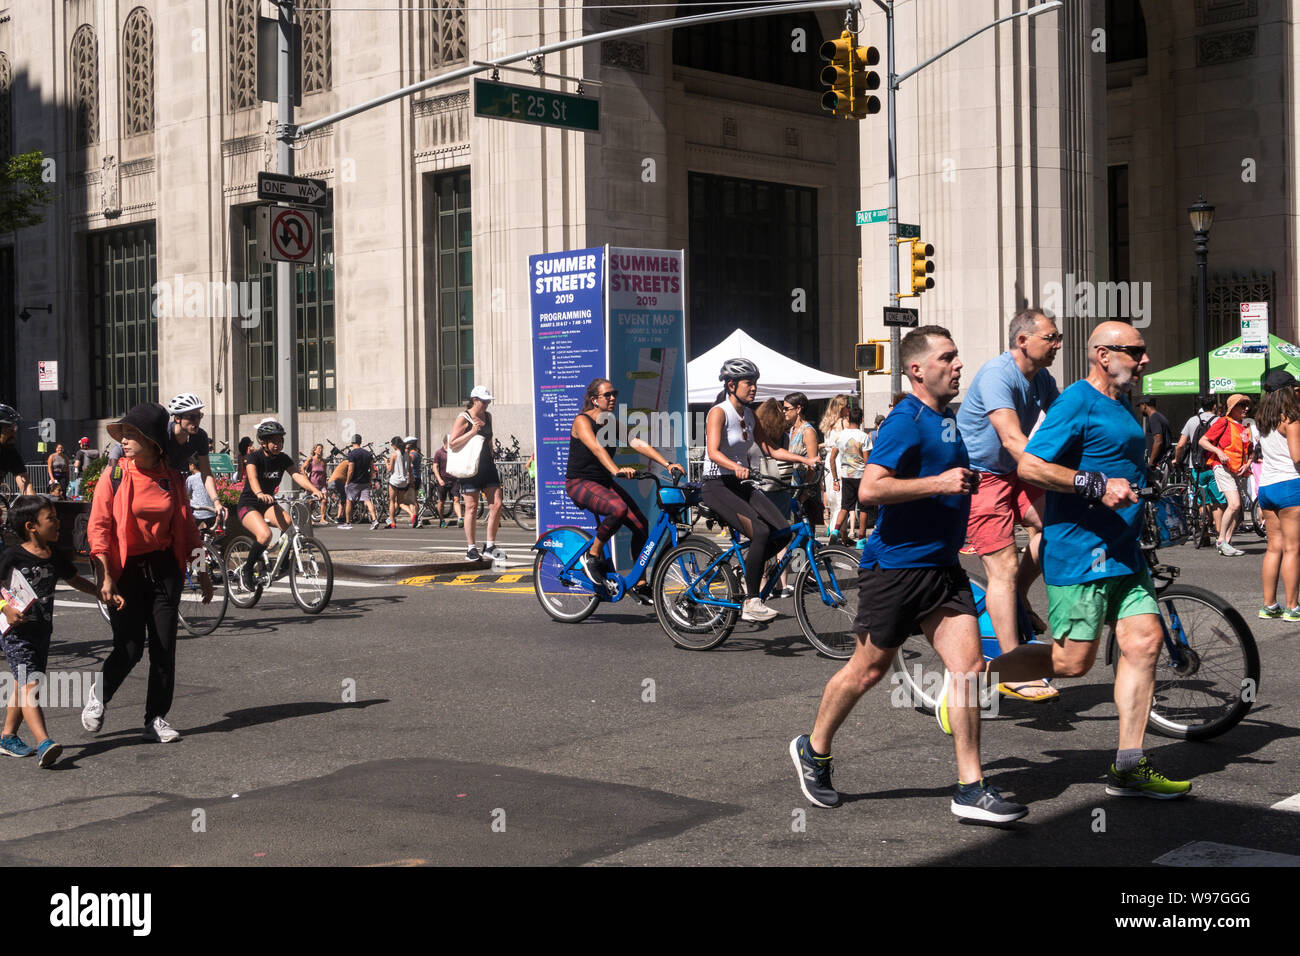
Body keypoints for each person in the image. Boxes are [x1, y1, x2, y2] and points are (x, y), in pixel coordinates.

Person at [789, 325, 1027, 823]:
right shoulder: (905, 419)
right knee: (869, 670)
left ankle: (970, 786)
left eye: (958, 356)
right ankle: (814, 749)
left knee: (967, 672)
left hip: (941, 570)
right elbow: (872, 490)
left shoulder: (947, 420)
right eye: (948, 357)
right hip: (896, 570)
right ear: (917, 368)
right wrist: (939, 482)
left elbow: (945, 481)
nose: (958, 365)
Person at [986, 321, 1190, 799]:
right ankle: (975, 679)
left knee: (1144, 642)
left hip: (1123, 550)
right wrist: (1094, 485)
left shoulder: (1121, 406)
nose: (1144, 360)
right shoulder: (1077, 399)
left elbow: (1118, 464)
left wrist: (1145, 484)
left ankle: (1129, 763)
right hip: (1081, 552)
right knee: (1073, 663)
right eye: (1135, 352)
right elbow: (1031, 465)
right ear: (1103, 354)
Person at [83, 402, 212, 744]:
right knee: (129, 647)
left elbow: (186, 529)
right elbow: (98, 527)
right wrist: (106, 575)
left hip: (163, 568)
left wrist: (201, 572)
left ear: (153, 440)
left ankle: (155, 717)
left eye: (132, 434)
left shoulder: (171, 477)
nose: (124, 441)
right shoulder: (115, 475)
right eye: (122, 435)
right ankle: (99, 695)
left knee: (164, 646)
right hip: (124, 569)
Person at [954, 308, 1062, 701]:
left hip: (1015, 470)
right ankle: (1012, 669)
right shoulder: (999, 375)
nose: (1058, 344)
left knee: (1057, 529)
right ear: (1023, 341)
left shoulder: (1042, 378)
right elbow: (1013, 439)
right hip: (980, 475)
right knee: (1002, 567)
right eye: (1050, 337)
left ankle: (1016, 597)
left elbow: (1066, 421)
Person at [703, 359, 817, 622]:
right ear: (731, 385)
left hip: (742, 485)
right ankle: (752, 601)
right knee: (762, 531)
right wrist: (736, 466)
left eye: (755, 383)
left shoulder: (750, 415)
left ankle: (746, 572)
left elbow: (771, 449)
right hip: (717, 485)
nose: (753, 388)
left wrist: (806, 460)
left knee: (782, 532)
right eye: (748, 383)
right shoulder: (718, 413)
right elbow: (713, 452)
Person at [565, 378, 686, 603]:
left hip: (602, 483)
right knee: (618, 509)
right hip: (579, 482)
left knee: (641, 525)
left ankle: (639, 583)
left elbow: (636, 442)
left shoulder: (610, 422)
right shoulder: (582, 421)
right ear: (594, 400)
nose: (613, 398)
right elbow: (597, 448)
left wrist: (667, 464)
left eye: (614, 394)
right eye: (607, 395)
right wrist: (616, 469)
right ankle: (592, 557)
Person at [0, 496, 101, 764]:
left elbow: (74, 579)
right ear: (32, 526)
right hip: (16, 634)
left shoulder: (55, 555)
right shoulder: (13, 555)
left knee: (27, 685)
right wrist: (5, 608)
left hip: (42, 632)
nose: (58, 523)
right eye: (51, 519)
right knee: (30, 685)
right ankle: (44, 741)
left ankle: (7, 736)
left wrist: (100, 593)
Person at [233, 419, 325, 591]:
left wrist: (315, 490)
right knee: (265, 535)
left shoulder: (283, 459)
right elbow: (252, 478)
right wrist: (260, 493)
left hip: (267, 503)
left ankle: (284, 563)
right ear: (263, 442)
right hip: (249, 504)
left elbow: (297, 475)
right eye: (274, 441)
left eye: (280, 440)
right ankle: (247, 570)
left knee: (289, 524)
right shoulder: (254, 457)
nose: (278, 444)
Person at [108, 394, 220, 506]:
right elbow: (119, 448)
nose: (196, 421)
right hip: (148, 481)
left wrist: (216, 502)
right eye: (191, 417)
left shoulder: (200, 437)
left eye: (199, 416)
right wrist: (114, 472)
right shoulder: (163, 433)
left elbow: (206, 472)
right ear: (177, 419)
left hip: (173, 482)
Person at [1254, 368, 1300, 620]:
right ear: (1287, 392)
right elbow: (1297, 457)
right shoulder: (1291, 420)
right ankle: (1293, 607)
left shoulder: (1263, 421)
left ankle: (1269, 605)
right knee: (1293, 549)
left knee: (1274, 549)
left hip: (1267, 487)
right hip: (1291, 486)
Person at [449, 385, 504, 561]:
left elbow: (489, 439)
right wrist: (472, 432)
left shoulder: (488, 416)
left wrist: (491, 451)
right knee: (471, 508)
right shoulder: (463, 417)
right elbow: (452, 443)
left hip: (487, 465)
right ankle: (471, 548)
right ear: (474, 400)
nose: (487, 404)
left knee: (496, 504)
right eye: (484, 401)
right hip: (470, 468)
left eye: (488, 401)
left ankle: (490, 545)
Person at [1199, 393, 1255, 557]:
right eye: (1241, 405)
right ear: (1232, 408)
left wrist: (1248, 464)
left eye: (1246, 405)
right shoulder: (1223, 422)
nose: (1245, 408)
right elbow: (1203, 441)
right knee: (1235, 504)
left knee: (1236, 508)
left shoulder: (1245, 425)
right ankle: (1221, 540)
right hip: (1221, 467)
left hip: (1237, 469)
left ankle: (1227, 542)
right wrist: (1218, 452)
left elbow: (1250, 451)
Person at [1174, 394, 1224, 546]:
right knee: (1217, 501)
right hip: (1214, 465)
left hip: (1195, 466)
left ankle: (1204, 532)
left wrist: (1177, 459)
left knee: (1203, 501)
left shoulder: (1192, 420)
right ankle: (1220, 537)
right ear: (1215, 406)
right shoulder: (1219, 421)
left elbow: (1181, 445)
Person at [828, 405, 871, 546]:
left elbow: (832, 458)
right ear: (862, 419)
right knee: (864, 507)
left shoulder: (840, 436)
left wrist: (835, 478)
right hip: (862, 476)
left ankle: (835, 531)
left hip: (846, 476)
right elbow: (867, 460)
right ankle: (861, 539)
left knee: (845, 506)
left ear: (848, 418)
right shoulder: (864, 437)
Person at [784, 392, 820, 531]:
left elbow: (813, 464)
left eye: (787, 408)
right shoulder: (792, 429)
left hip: (801, 491)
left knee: (803, 533)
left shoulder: (807, 431)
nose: (784, 412)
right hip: (791, 487)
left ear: (798, 409)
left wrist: (805, 491)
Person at [818, 394, 849, 541]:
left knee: (833, 499)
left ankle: (840, 533)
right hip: (839, 460)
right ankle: (837, 534)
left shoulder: (827, 423)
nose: (848, 409)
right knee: (842, 499)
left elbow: (829, 443)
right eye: (846, 406)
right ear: (841, 408)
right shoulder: (843, 423)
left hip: (828, 463)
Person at [342, 434, 379, 531]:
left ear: (352, 442)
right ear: (360, 442)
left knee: (349, 501)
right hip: (365, 481)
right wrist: (370, 480)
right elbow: (372, 468)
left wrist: (347, 481)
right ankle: (374, 520)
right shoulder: (367, 454)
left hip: (354, 481)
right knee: (367, 500)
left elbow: (350, 470)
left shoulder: (352, 454)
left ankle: (348, 522)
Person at [430, 435, 463, 529]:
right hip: (443, 480)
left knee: (456, 499)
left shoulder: (455, 452)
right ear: (446, 442)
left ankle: (460, 518)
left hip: (454, 480)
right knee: (441, 501)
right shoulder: (439, 453)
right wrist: (439, 479)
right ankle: (442, 519)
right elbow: (435, 466)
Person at [385, 436, 417, 529]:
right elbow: (410, 469)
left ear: (395, 445)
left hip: (395, 481)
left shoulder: (394, 454)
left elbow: (390, 469)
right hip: (404, 481)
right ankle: (412, 514)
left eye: (392, 445)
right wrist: (411, 480)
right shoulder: (408, 454)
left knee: (391, 501)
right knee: (401, 502)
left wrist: (386, 462)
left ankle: (393, 522)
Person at [1137, 396, 1173, 476]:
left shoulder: (1154, 418)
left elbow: (1158, 441)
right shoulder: (1160, 417)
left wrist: (1151, 463)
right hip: (1163, 461)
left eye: (1140, 406)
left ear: (1144, 405)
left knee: (1156, 487)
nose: (1140, 409)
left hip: (1159, 463)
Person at [0, 405, 32, 495]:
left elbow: (25, 484)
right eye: (9, 429)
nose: (14, 434)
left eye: (15, 428)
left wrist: (35, 504)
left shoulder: (10, 452)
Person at [186, 455, 219, 533]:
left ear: (192, 465)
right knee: (211, 533)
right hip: (211, 511)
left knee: (189, 532)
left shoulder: (190, 479)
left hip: (197, 512)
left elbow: (185, 492)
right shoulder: (209, 476)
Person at [405, 437, 423, 528]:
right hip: (418, 477)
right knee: (414, 499)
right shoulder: (417, 453)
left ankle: (415, 519)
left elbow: (408, 466)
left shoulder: (411, 455)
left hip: (413, 478)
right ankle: (416, 518)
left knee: (412, 500)